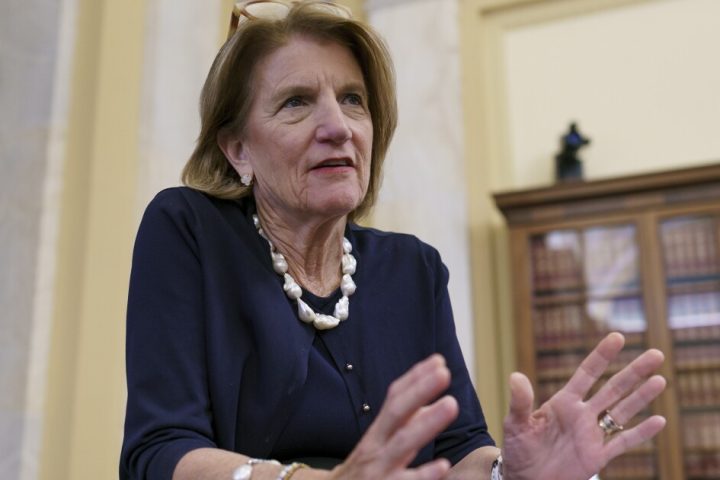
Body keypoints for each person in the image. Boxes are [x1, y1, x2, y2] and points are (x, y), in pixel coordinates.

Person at [120, 2, 667, 479]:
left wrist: (511, 473)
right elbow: (160, 450)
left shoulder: (412, 269)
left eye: (353, 99)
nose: (339, 127)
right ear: (238, 149)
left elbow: (458, 449)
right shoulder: (189, 229)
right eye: (296, 102)